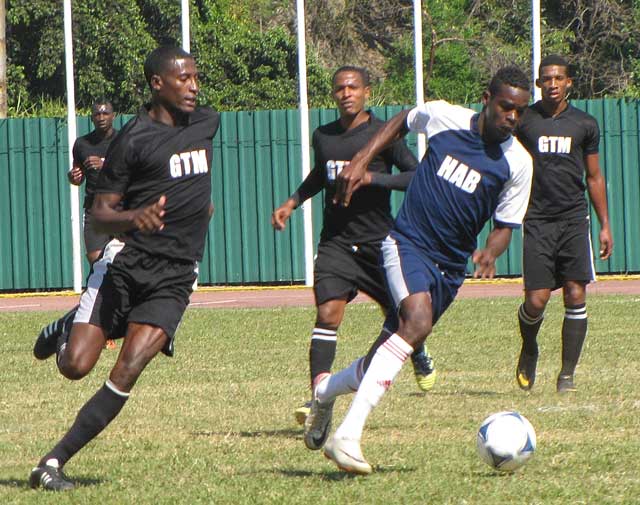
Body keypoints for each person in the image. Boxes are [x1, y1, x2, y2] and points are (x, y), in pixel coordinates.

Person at [304, 66, 533, 475]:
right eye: (506, 107)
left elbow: (504, 227)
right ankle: (348, 435)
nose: (512, 118)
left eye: (520, 111)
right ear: (487, 98)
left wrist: (490, 253)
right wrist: (361, 159)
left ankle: (324, 392)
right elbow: (400, 122)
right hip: (405, 243)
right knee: (418, 320)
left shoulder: (517, 163)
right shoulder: (445, 117)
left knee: (381, 357)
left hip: (449, 269)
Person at [29, 46, 220, 491]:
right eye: (184, 78)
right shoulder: (131, 140)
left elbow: (194, 186)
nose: (193, 86)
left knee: (127, 371)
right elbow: (99, 213)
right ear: (157, 83)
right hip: (127, 266)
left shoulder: (207, 121)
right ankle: (66, 329)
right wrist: (135, 218)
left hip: (175, 278)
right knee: (75, 366)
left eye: (196, 77)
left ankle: (52, 463)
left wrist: (198, 209)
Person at [271, 66, 436, 430]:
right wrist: (292, 202)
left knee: (404, 319)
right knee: (327, 314)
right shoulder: (323, 136)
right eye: (339, 88)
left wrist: (372, 178)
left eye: (353, 87)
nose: (346, 93)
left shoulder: (383, 134)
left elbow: (416, 175)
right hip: (336, 243)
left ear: (366, 92)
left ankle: (418, 351)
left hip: (380, 244)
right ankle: (319, 401)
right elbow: (322, 174)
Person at [514, 54, 613, 394]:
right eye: (546, 79)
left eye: (559, 78)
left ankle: (566, 375)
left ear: (569, 82)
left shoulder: (584, 124)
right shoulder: (525, 121)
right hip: (537, 220)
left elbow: (594, 176)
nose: (552, 84)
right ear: (538, 83)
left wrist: (604, 224)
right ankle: (529, 347)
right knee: (536, 302)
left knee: (575, 292)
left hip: (573, 219)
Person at [69, 99, 118, 264]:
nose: (101, 117)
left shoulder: (123, 140)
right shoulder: (82, 144)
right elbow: (78, 176)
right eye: (97, 114)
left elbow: (135, 171)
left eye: (105, 113)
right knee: (96, 262)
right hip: (94, 208)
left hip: (121, 206)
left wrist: (104, 164)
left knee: (127, 261)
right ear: (91, 118)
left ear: (114, 116)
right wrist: (74, 177)